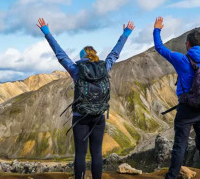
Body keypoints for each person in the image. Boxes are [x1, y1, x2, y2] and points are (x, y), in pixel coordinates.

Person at [36, 18, 135, 179]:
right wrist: (126, 33)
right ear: (95, 56)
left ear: (82, 58)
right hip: (98, 117)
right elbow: (114, 54)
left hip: (80, 117)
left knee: (80, 154)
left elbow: (60, 54)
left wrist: (46, 32)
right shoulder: (105, 67)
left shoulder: (76, 70)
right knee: (96, 153)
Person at [153, 17, 200, 179]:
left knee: (180, 145)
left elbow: (160, 48)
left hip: (186, 109)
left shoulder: (182, 60)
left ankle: (172, 176)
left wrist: (157, 29)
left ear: (188, 44)